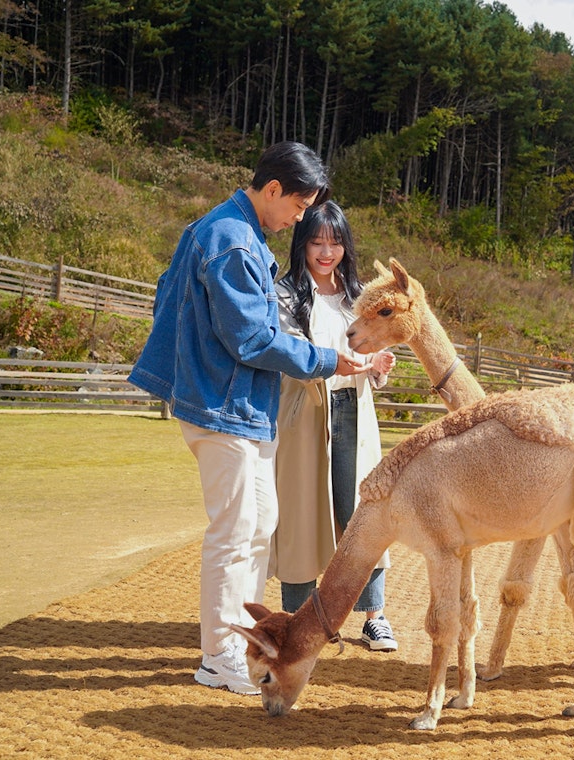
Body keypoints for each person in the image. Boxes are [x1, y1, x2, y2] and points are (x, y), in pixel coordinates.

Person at [128, 142, 369, 696]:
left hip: (240, 406)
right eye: (300, 205)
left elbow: (172, 299)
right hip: (224, 405)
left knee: (257, 528)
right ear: (273, 189)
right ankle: (219, 656)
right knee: (236, 536)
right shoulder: (231, 240)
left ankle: (245, 644)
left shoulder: (227, 232)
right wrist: (328, 359)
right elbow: (253, 338)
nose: (301, 219)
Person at [271, 200, 399, 652]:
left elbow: (374, 351)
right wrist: (357, 363)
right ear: (301, 244)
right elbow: (290, 354)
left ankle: (374, 615)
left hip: (354, 410)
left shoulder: (359, 295)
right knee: (302, 514)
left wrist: (379, 364)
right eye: (317, 242)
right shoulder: (284, 293)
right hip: (305, 413)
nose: (327, 252)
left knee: (364, 514)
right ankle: (301, 619)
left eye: (335, 242)